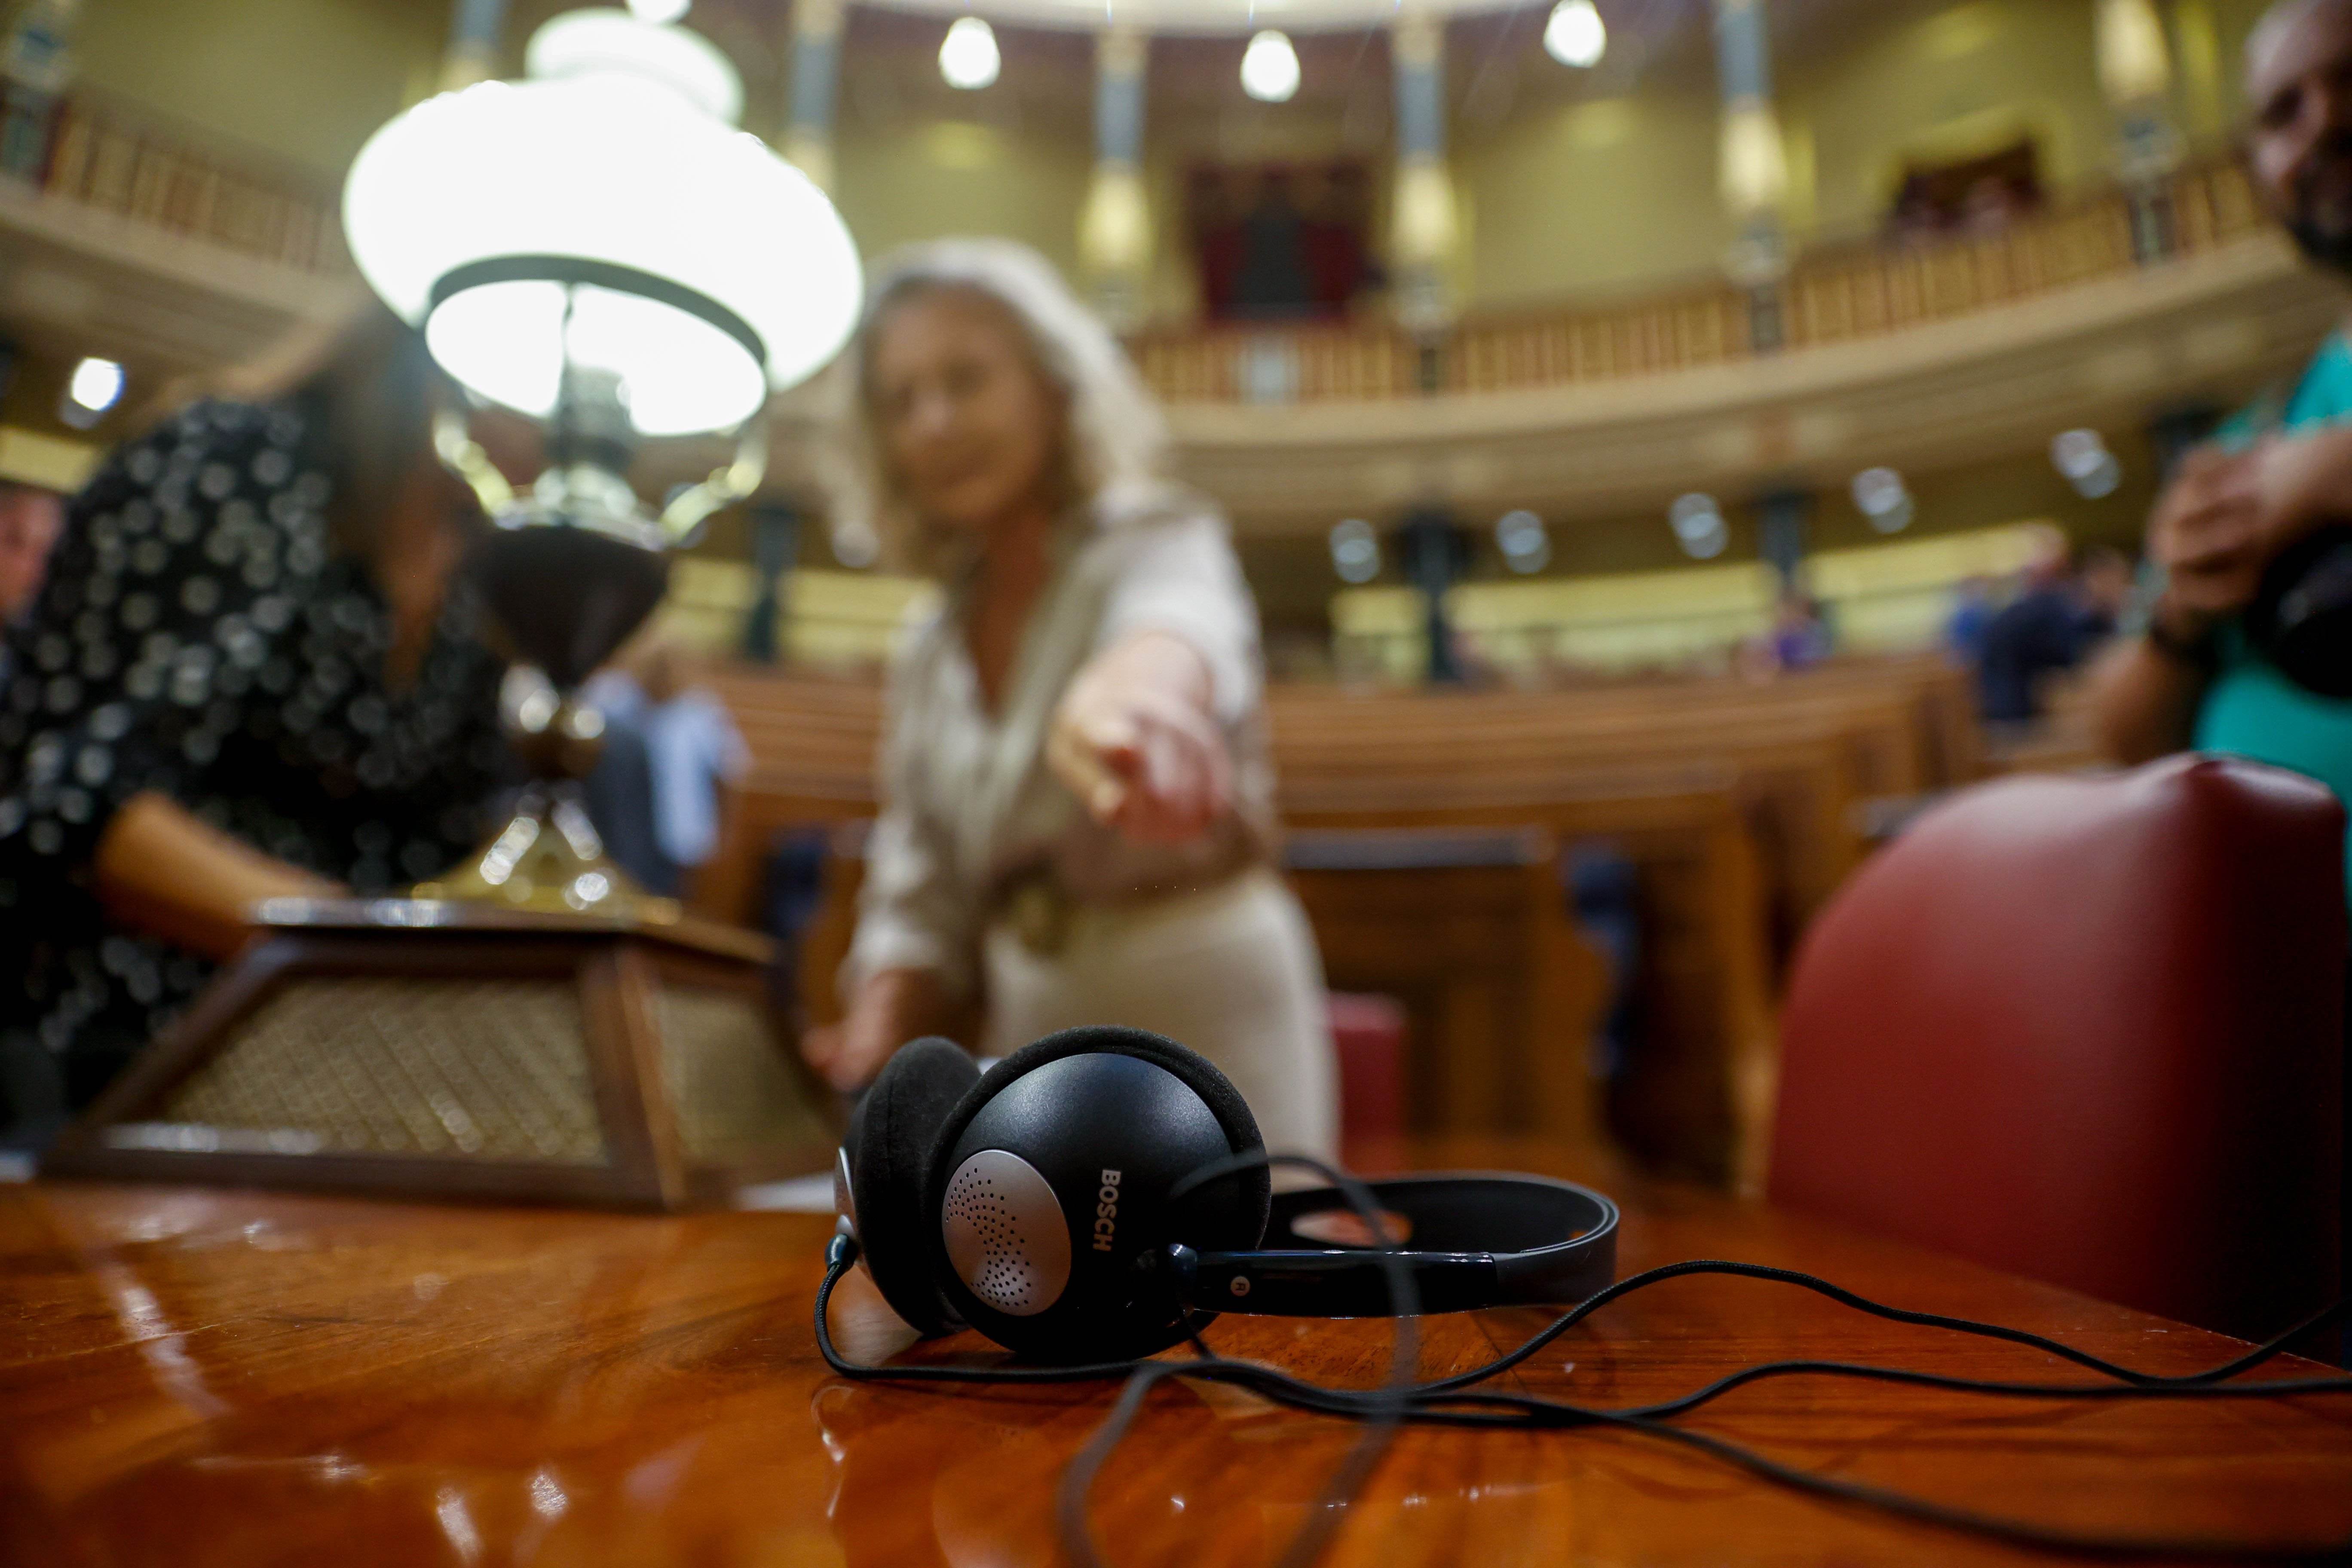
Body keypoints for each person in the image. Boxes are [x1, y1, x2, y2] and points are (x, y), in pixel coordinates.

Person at [802, 238, 1338, 1162]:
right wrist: (880, 1015)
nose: (933, 422)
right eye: (901, 398)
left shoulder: (1156, 534)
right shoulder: (928, 646)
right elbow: (919, 870)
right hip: (1034, 1019)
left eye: (966, 379)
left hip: (1209, 993)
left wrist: (1136, 709)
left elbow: (1175, 633)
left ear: (1053, 386)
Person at [0, 300, 511, 1144]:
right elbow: (76, 796)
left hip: (340, 1078)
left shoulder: (479, 569)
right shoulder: (239, 459)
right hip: (114, 1062)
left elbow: (449, 853)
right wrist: (374, 957)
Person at [2089, 0, 2352, 886]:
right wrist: (2182, 619)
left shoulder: (2298, 457)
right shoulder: (2259, 435)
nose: (2329, 121)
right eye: (2285, 111)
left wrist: (2328, 478)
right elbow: (2126, 740)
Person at [581, 630, 747, 898]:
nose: (662, 673)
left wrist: (725, 836)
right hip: (618, 832)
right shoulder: (617, 704)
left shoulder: (700, 713)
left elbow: (729, 774)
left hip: (677, 835)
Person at [1981, 543, 2131, 724]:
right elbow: (2081, 658)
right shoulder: (2052, 609)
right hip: (2013, 715)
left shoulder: (2041, 608)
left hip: (2005, 707)